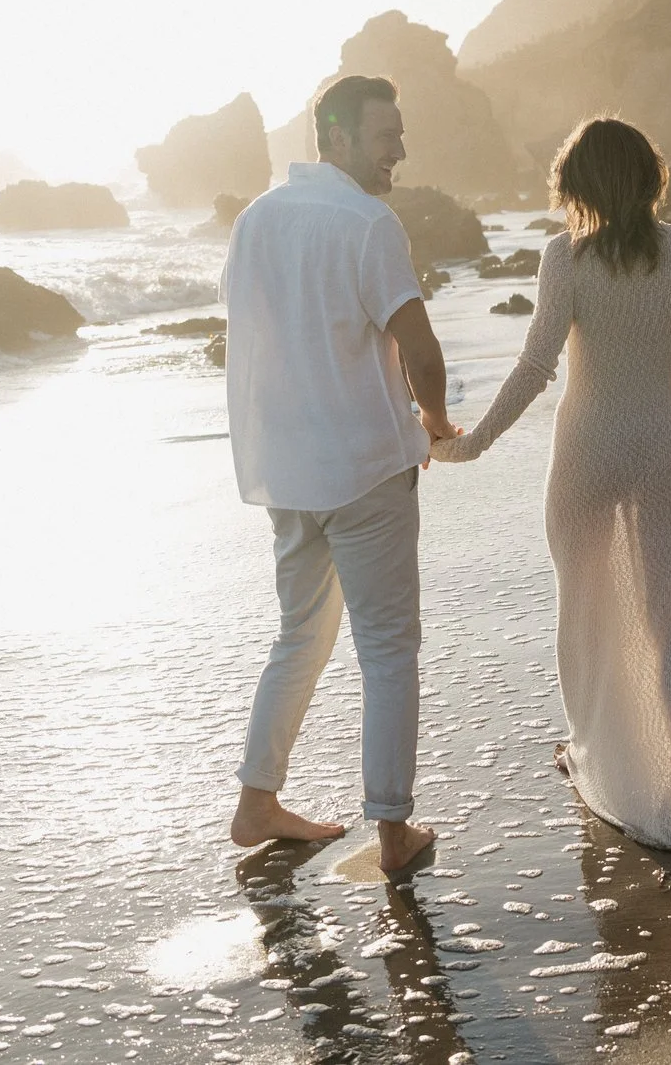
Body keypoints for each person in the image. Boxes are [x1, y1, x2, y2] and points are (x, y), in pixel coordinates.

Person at [430, 117, 671, 850]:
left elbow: (537, 368)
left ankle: (593, 753)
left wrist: (470, 444)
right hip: (659, 446)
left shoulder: (564, 258)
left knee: (583, 613)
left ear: (579, 185)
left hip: (585, 452)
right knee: (670, 625)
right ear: (647, 175)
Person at [222, 73, 456, 872]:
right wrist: (435, 422)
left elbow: (252, 339)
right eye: (385, 134)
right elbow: (420, 348)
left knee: (300, 636)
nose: (400, 148)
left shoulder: (254, 220)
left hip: (287, 472)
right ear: (337, 136)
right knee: (389, 648)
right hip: (363, 471)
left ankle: (257, 801)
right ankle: (393, 833)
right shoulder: (368, 222)